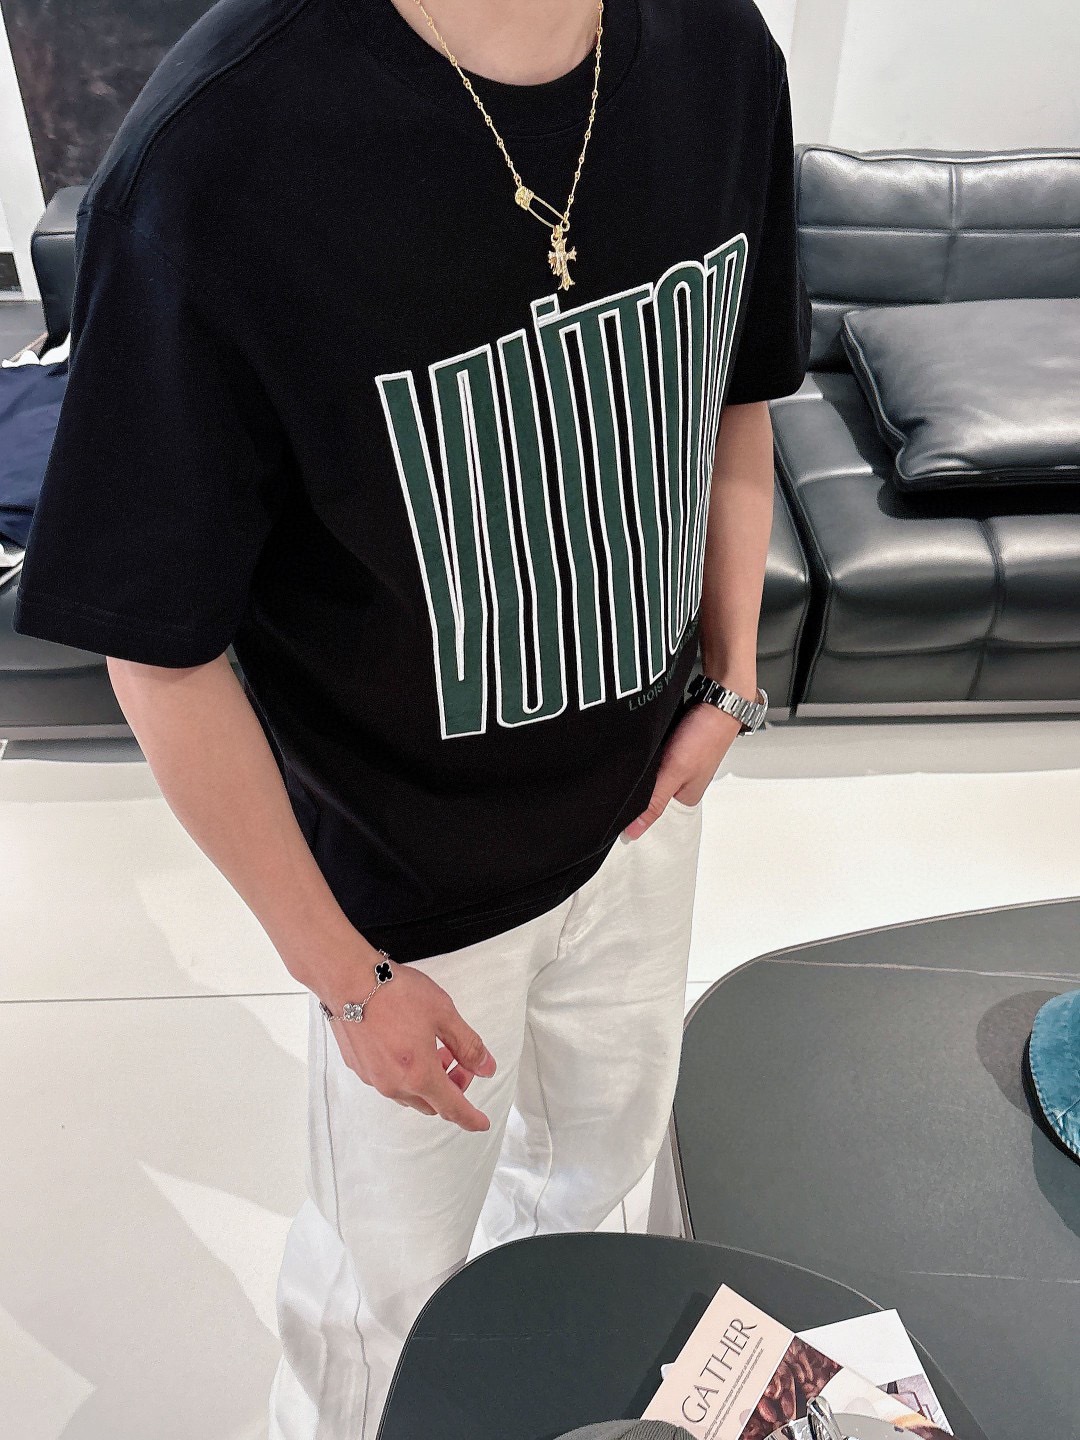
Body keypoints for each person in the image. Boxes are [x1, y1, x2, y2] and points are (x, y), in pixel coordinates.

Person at [13, 0, 811, 1433]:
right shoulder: (219, 147)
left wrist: (728, 680)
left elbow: (735, 395)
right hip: (403, 889)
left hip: (643, 810)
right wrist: (347, 980)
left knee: (596, 1183)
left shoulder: (719, 51)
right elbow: (159, 645)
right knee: (382, 1294)